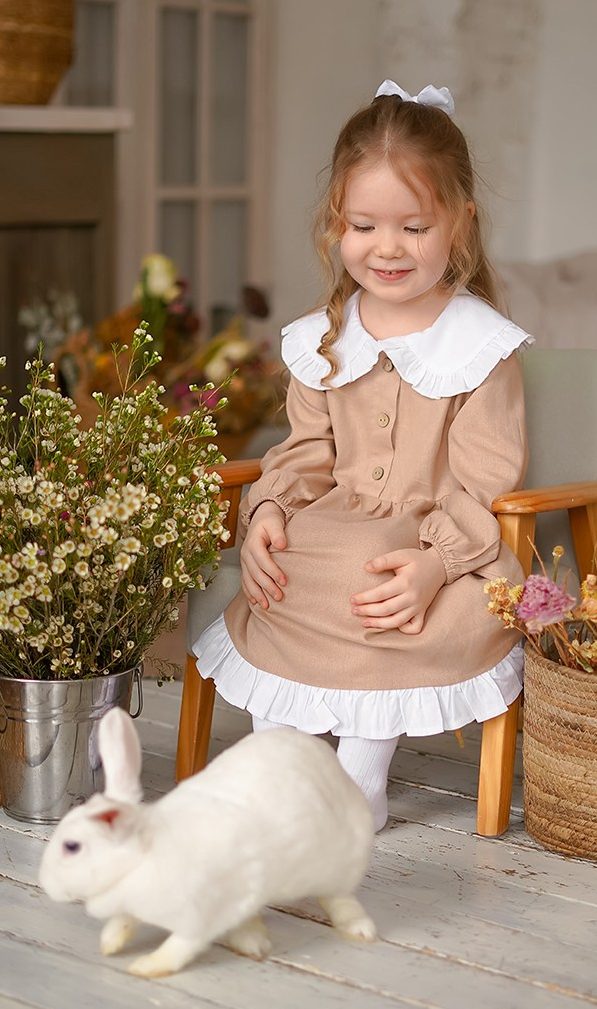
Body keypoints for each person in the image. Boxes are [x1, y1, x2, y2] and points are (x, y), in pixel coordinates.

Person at [193, 79, 532, 830]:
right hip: (335, 528)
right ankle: (278, 765)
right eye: (363, 225)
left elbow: (483, 481)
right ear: (335, 224)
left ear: (459, 224)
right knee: (290, 565)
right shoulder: (323, 337)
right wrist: (270, 510)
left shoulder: (482, 347)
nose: (387, 248)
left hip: (438, 541)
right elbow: (306, 449)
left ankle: (357, 781)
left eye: (414, 227)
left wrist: (436, 560)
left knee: (377, 573)